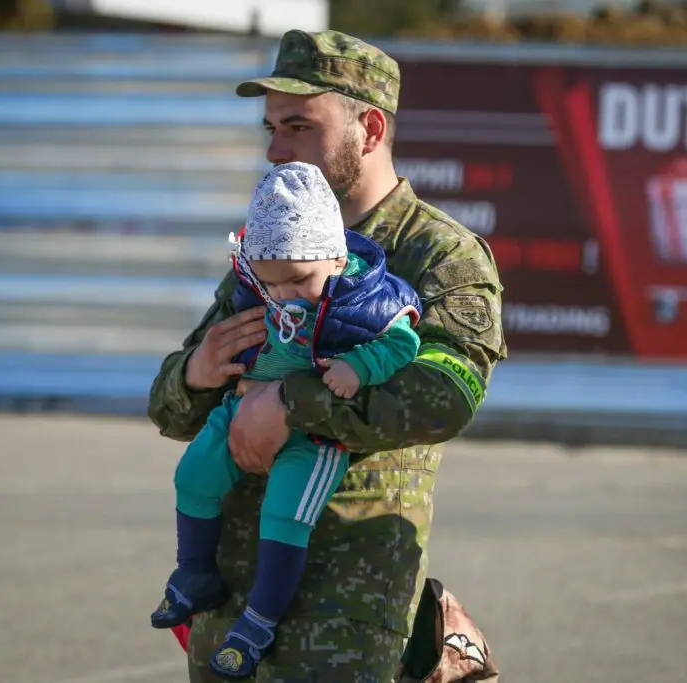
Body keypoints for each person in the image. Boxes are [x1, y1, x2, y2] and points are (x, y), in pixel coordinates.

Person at [147, 28, 506, 682]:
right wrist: (194, 377)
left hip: (343, 616)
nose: (275, 150)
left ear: (370, 129)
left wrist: (294, 403)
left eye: (299, 126)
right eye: (271, 128)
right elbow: (172, 404)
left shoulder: (437, 253)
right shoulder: (273, 242)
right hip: (226, 606)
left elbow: (448, 394)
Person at [150, 160, 423, 681]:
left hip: (315, 439)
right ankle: (195, 572)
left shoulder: (367, 296)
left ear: (337, 256)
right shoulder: (260, 278)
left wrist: (355, 369)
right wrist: (198, 372)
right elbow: (173, 393)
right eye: (271, 285)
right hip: (238, 411)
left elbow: (404, 343)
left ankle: (259, 620)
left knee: (285, 513)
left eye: (298, 281)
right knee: (192, 476)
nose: (283, 297)